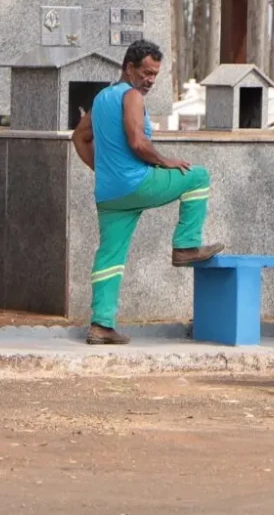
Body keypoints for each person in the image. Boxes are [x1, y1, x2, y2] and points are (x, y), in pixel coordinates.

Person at [71, 40, 221, 345]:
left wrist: (102, 172)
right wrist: (165, 161)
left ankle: (101, 325)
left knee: (110, 256)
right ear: (129, 67)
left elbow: (79, 138)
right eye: (146, 72)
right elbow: (137, 142)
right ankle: (186, 246)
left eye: (155, 74)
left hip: (110, 194)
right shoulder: (132, 96)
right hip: (136, 183)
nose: (150, 80)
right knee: (198, 177)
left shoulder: (101, 98)